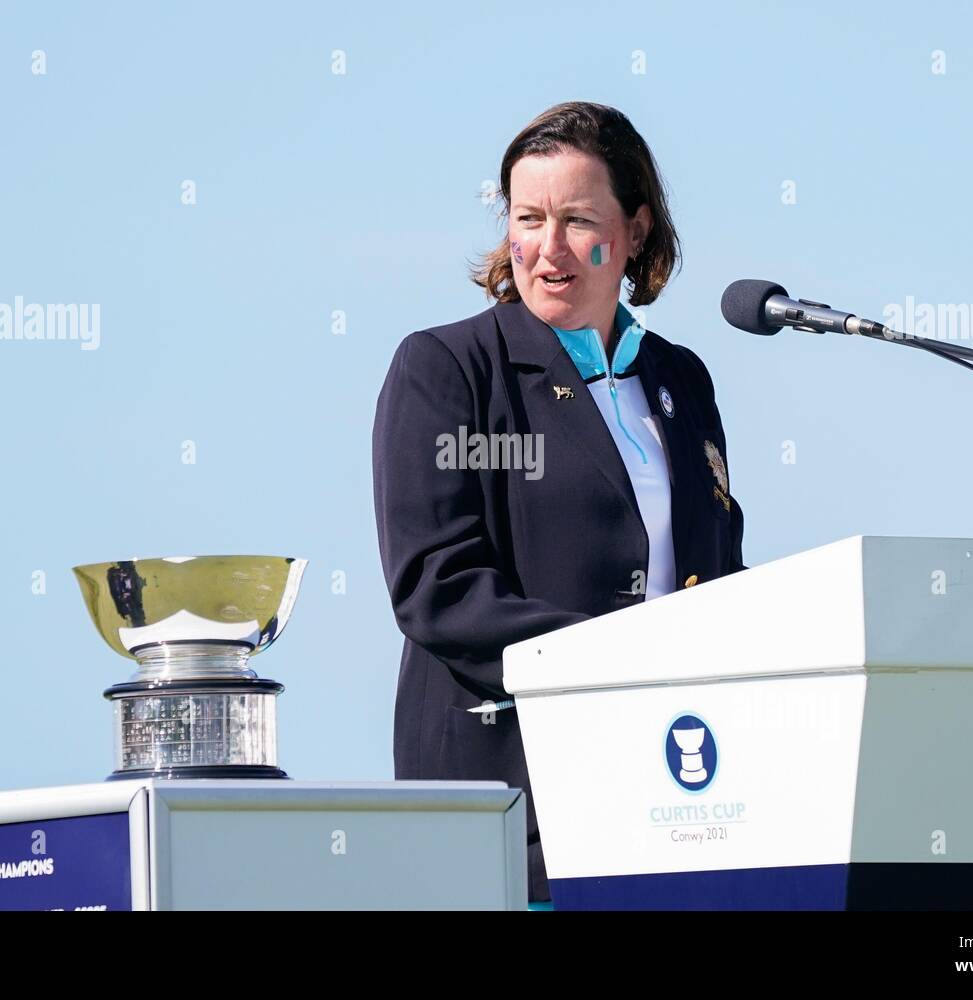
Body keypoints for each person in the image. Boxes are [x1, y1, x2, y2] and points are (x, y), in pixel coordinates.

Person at [371, 101, 746, 904]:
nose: (547, 249)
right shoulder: (449, 368)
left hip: (679, 800)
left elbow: (720, 578)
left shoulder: (682, 381)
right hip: (513, 812)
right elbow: (437, 589)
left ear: (635, 233)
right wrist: (622, 660)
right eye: (528, 218)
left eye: (578, 220)